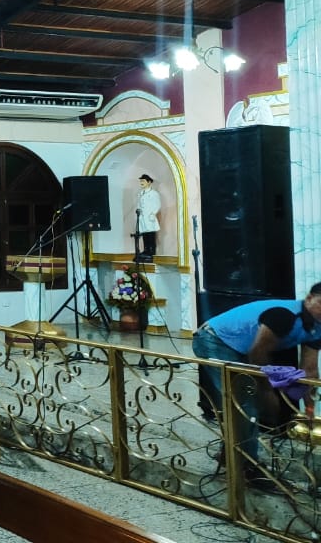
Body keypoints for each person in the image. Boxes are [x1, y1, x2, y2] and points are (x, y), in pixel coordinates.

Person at [191, 284, 321, 474]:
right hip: (214, 340)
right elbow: (257, 352)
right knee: (244, 403)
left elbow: (309, 370)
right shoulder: (284, 316)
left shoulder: (316, 328)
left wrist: (310, 409)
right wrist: (266, 390)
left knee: (242, 402)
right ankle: (246, 466)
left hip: (239, 348)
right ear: (309, 298)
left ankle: (230, 455)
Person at [135, 174, 160, 260]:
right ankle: (146, 250)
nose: (141, 182)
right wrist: (138, 210)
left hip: (150, 217)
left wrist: (153, 213)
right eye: (141, 181)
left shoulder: (154, 193)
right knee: (144, 234)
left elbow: (157, 204)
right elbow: (139, 204)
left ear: (149, 182)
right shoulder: (140, 193)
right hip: (142, 217)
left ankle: (151, 252)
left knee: (150, 234)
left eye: (143, 181)